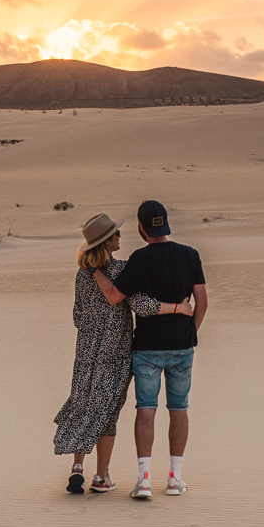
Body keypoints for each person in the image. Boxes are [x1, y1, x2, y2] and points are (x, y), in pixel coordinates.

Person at [53, 212, 192, 495]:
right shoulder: (121, 270)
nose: (119, 237)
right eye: (115, 234)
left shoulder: (83, 275)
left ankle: (77, 467)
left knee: (84, 402)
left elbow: (78, 316)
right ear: (106, 243)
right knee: (108, 412)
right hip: (115, 351)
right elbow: (142, 305)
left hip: (86, 350)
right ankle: (101, 476)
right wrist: (177, 308)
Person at [92, 199, 207, 499]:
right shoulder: (190, 254)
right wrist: (188, 333)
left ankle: (143, 480)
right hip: (182, 347)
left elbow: (116, 297)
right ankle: (174, 478)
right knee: (179, 408)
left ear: (142, 228)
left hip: (146, 349)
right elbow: (203, 302)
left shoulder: (139, 259)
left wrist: (94, 270)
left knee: (146, 410)